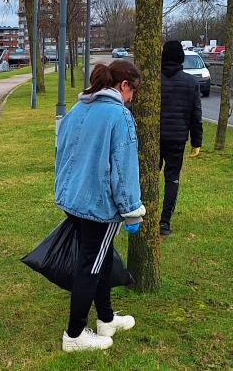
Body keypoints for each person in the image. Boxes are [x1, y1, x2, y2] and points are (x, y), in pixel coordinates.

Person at [54, 60, 145, 352]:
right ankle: (74, 335)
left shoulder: (78, 108)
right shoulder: (120, 115)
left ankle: (106, 319)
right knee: (90, 266)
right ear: (124, 85)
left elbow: (61, 151)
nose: (132, 98)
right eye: (134, 90)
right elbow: (125, 168)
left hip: (73, 199)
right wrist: (132, 210)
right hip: (98, 206)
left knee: (101, 258)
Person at [159, 41, 203, 236]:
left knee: (148, 176)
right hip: (177, 138)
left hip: (154, 137)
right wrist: (196, 142)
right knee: (172, 179)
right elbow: (196, 115)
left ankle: (144, 216)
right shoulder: (191, 82)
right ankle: (164, 222)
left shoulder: (152, 81)